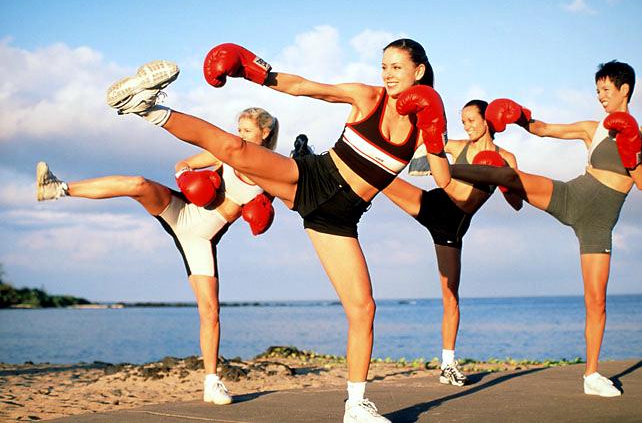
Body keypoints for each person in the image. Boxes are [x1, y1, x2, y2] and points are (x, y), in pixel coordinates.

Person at [105, 39, 446, 422]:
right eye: (384, 66)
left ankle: (356, 405)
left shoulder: (424, 125)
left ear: (418, 71)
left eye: (396, 67)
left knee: (363, 309)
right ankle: (146, 108)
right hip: (314, 178)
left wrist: (434, 130)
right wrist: (255, 72)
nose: (387, 74)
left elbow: (441, 176)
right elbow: (304, 87)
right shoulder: (368, 97)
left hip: (339, 218)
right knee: (233, 149)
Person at [36, 104, 279, 405]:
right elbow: (184, 163)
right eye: (238, 129)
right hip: (182, 211)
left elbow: (287, 198)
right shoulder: (225, 151)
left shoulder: (272, 170)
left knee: (210, 311)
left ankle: (212, 382)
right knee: (138, 184)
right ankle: (57, 188)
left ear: (265, 133)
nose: (238, 135)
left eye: (246, 131)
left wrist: (264, 211)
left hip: (201, 239)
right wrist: (189, 178)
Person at [426, 60, 642, 397]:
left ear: (624, 89)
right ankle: (446, 169)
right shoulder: (592, 128)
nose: (600, 96)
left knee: (595, 300)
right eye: (597, 89)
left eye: (606, 89)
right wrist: (520, 116)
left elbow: (640, 183)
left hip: (599, 221)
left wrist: (633, 150)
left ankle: (592, 375)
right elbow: (542, 129)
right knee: (510, 175)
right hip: (572, 196)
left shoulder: (637, 134)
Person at [382, 99, 523, 387]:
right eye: (463, 121)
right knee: (378, 178)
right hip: (433, 203)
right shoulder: (458, 147)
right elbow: (426, 141)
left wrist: (505, 180)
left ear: (487, 120)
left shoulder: (506, 156)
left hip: (453, 225)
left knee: (450, 296)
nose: (467, 126)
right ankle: (315, 164)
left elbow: (517, 204)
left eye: (471, 120)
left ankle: (448, 365)